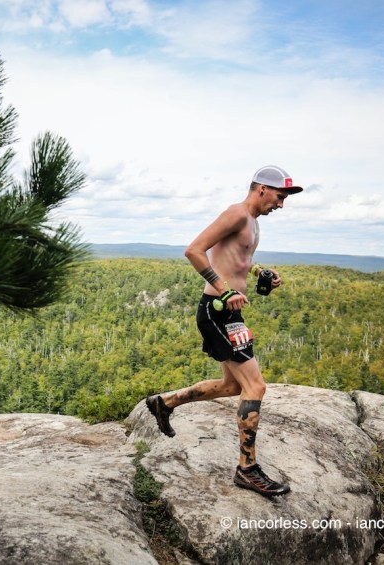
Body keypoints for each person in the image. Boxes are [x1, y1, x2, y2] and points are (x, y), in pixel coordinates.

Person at [145, 165, 303, 498]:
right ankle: (247, 469)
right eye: (279, 196)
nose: (281, 204)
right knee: (255, 386)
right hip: (216, 311)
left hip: (230, 314)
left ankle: (165, 403)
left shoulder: (252, 222)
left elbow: (238, 259)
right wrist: (225, 289)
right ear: (261, 189)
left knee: (233, 386)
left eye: (284, 199)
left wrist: (261, 272)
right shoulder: (236, 213)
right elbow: (194, 250)